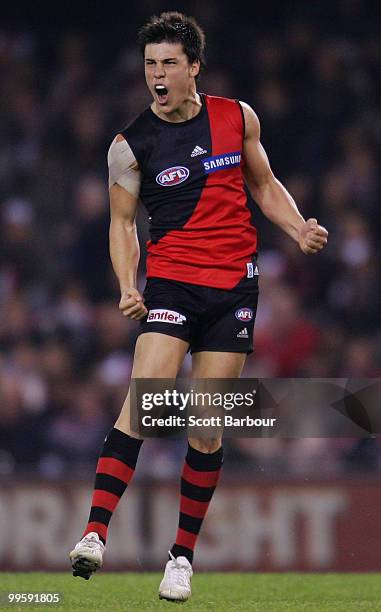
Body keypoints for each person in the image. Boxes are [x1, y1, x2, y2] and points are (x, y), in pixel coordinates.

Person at [70, 11, 328, 601]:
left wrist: (296, 229)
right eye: (149, 65)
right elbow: (121, 223)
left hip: (235, 287)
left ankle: (181, 559)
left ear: (193, 69)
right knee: (150, 394)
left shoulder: (236, 117)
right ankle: (94, 533)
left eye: (168, 64)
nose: (157, 76)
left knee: (207, 427)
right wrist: (126, 283)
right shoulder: (129, 145)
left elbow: (263, 184)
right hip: (173, 284)